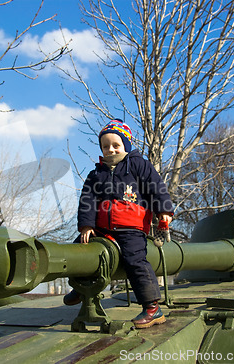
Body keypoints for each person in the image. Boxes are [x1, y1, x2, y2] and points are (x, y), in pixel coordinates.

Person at [64, 119, 174, 329]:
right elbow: (87, 200)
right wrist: (86, 226)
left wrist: (164, 211)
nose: (111, 149)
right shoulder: (96, 174)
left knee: (135, 261)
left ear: (126, 145)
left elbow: (156, 187)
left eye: (116, 145)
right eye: (106, 146)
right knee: (77, 249)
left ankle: (152, 307)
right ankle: (80, 288)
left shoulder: (138, 165)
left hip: (131, 228)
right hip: (101, 228)